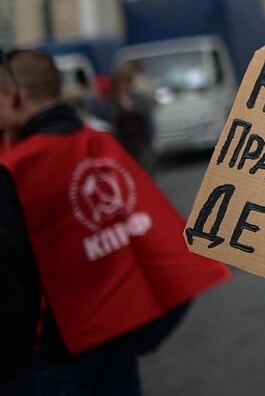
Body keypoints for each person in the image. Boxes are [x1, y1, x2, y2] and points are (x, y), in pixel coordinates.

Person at [0, 49, 229, 393]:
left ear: (15, 93)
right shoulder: (101, 143)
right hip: (116, 350)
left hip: (47, 362)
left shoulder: (15, 169)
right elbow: (158, 242)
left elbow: (11, 289)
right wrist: (141, 335)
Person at [88, 63, 155, 172]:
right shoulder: (110, 102)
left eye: (127, 82)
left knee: (146, 172)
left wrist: (149, 139)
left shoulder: (139, 99)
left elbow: (148, 119)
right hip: (124, 145)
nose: (125, 85)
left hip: (141, 142)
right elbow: (101, 117)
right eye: (122, 82)